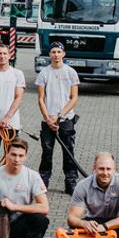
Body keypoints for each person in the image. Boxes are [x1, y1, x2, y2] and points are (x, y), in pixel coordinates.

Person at [36, 42, 80, 193]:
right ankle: (43, 181)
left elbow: (74, 98)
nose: (56, 54)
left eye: (58, 52)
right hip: (47, 120)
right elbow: (41, 98)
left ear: (63, 54)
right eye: (53, 52)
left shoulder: (71, 73)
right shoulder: (44, 73)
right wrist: (48, 118)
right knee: (47, 152)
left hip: (66, 119)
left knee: (68, 152)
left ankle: (71, 182)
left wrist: (59, 116)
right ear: (50, 54)